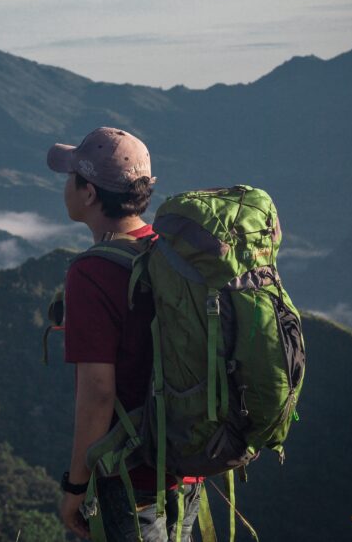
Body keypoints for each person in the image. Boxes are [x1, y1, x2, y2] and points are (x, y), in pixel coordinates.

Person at [46, 126, 202, 541]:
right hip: (187, 474)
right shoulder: (170, 254)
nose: (65, 186)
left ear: (90, 193)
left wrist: (76, 486)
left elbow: (98, 393)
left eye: (71, 177)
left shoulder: (92, 272)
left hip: (130, 486)